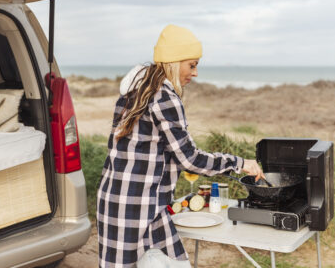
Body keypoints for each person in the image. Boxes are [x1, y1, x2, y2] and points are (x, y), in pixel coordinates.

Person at [97, 24, 265, 268]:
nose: (195, 73)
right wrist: (239, 163)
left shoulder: (134, 93)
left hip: (121, 201)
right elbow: (189, 159)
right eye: (192, 64)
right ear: (173, 62)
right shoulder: (164, 96)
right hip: (137, 208)